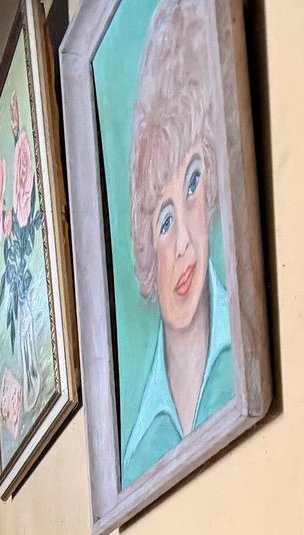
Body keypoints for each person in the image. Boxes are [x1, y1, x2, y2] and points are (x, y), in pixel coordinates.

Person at [119, 0, 234, 486]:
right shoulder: (138, 446)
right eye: (165, 220)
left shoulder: (240, 359)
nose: (184, 240)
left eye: (191, 182)